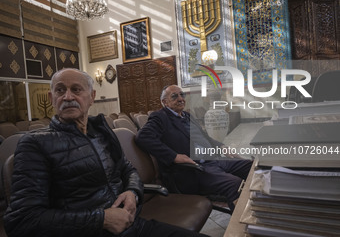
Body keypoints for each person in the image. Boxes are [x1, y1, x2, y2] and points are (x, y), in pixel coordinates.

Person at [4, 69, 209, 237]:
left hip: (132, 225)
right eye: (60, 90)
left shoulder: (101, 133)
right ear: (51, 98)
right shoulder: (34, 144)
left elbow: (128, 170)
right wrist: (101, 219)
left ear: (92, 97)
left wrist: (133, 192)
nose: (68, 97)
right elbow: (22, 220)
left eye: (76, 89)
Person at [135, 85, 252, 211]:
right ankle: (241, 224)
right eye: (174, 96)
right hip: (192, 170)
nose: (180, 99)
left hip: (213, 160)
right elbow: (143, 137)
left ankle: (262, 204)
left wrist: (221, 146)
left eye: (182, 95)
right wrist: (174, 156)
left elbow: (205, 137)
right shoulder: (160, 117)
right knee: (234, 184)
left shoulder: (187, 116)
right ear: (165, 102)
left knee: (249, 166)